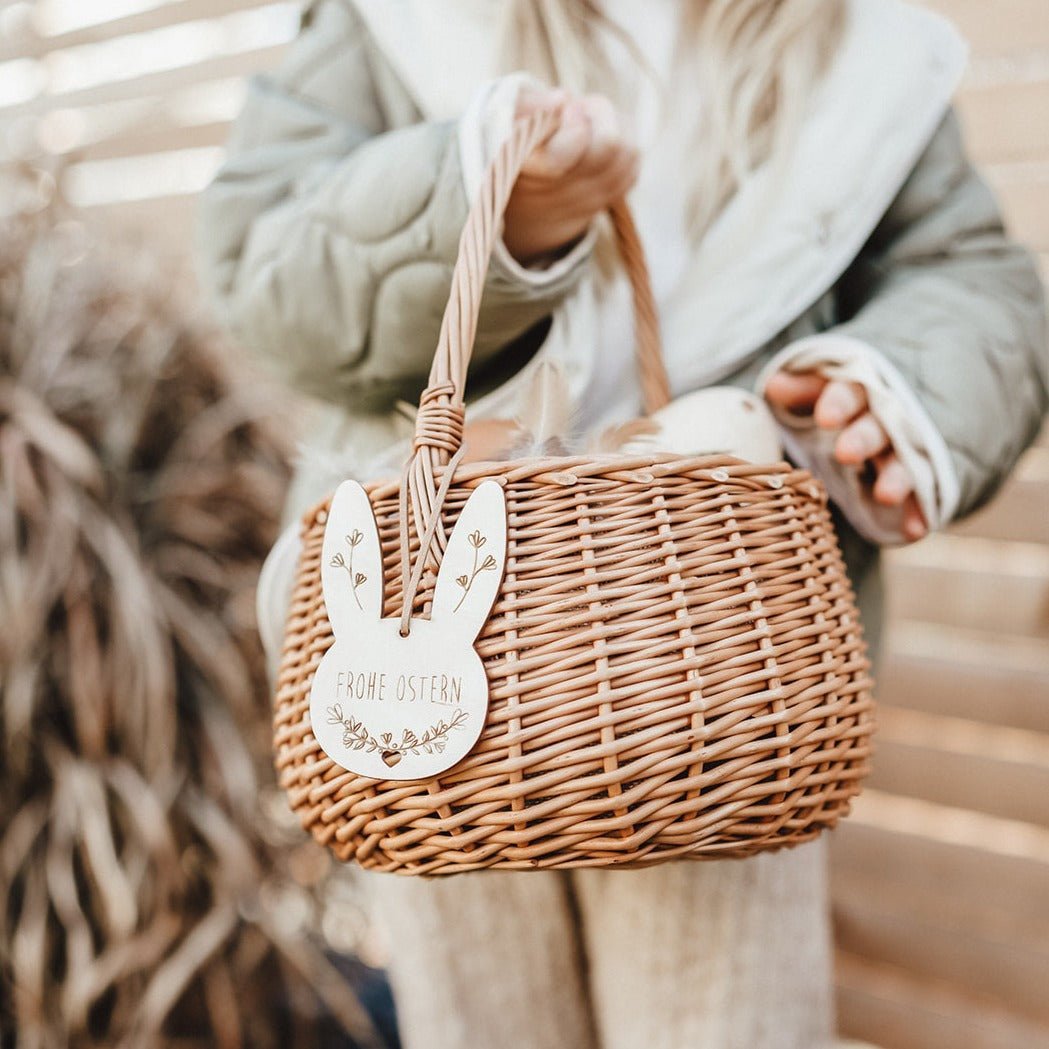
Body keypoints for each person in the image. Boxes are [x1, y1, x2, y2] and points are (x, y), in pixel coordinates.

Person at [195, 1, 1048, 1047]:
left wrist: (895, 384)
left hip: (709, 650)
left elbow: (963, 274)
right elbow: (262, 272)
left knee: (721, 1019)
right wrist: (488, 210)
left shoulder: (850, 41)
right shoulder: (399, 20)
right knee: (483, 1020)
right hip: (421, 620)